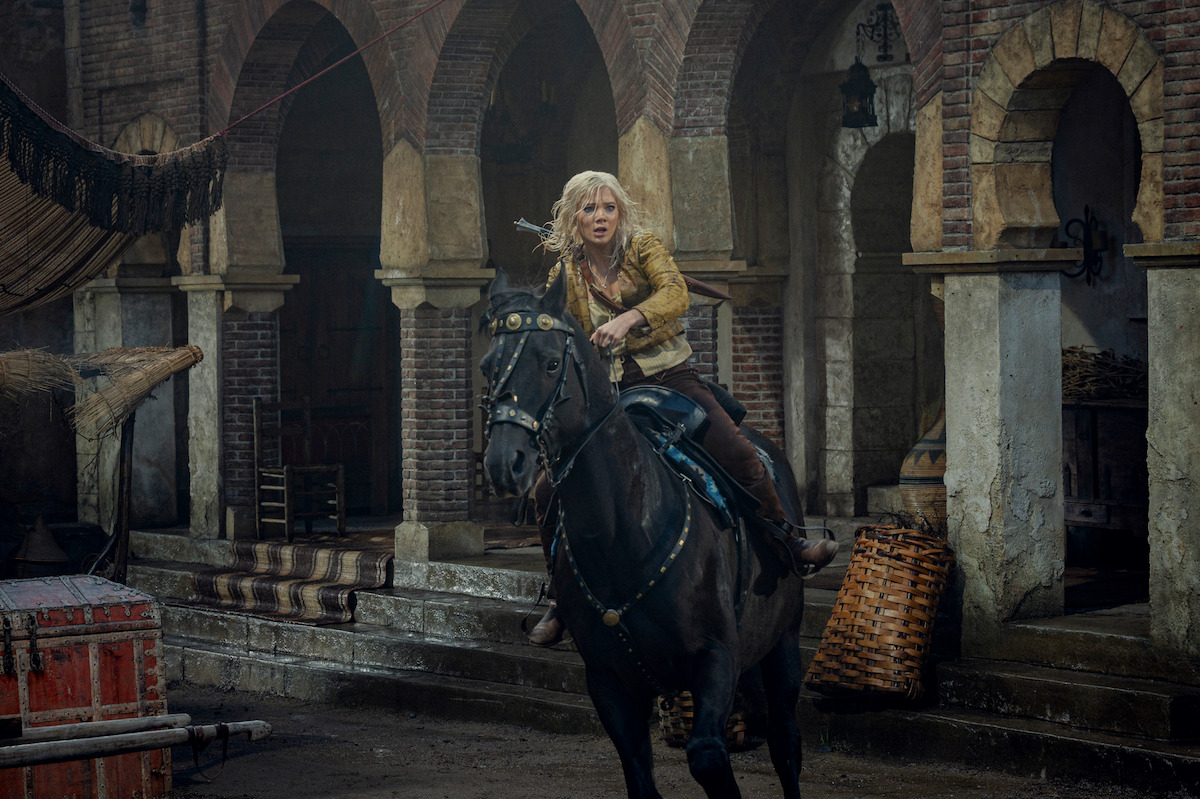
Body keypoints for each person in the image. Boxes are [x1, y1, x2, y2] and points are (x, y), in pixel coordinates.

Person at [526, 170, 837, 647]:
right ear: (574, 218)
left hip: (668, 377)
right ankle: (560, 595)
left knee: (738, 452)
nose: (600, 216)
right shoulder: (565, 273)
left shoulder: (643, 247)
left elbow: (675, 294)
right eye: (589, 209)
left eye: (608, 207)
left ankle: (787, 541)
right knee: (547, 490)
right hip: (605, 396)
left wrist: (630, 318)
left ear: (620, 213)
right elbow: (555, 329)